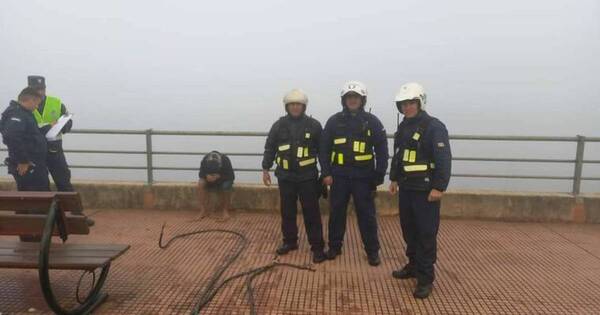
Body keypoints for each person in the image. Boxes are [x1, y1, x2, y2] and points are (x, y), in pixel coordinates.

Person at [389, 82, 452, 299]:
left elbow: (443, 159)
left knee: (426, 234)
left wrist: (439, 187)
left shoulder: (434, 127)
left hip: (426, 191)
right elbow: (398, 155)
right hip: (406, 188)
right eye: (404, 104)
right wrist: (394, 179)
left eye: (411, 103)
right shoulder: (404, 127)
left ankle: (425, 279)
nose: (407, 107)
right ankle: (413, 266)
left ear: (420, 103)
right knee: (409, 230)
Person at [319, 81, 389, 266]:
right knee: (336, 214)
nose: (352, 100)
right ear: (344, 100)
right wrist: (326, 172)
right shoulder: (334, 121)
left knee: (367, 216)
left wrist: (379, 175)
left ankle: (372, 251)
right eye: (349, 97)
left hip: (363, 178)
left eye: (356, 97)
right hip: (339, 177)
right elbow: (324, 149)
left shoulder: (372, 122)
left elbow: (382, 150)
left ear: (362, 99)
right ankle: (334, 247)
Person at [261, 89, 326, 263]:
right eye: (292, 105)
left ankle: (317, 247)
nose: (295, 107)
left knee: (311, 212)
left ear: (304, 106)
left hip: (308, 178)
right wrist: (265, 168)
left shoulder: (314, 125)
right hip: (285, 177)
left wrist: (327, 173)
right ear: (287, 107)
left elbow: (323, 152)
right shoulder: (278, 125)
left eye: (298, 104)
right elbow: (270, 147)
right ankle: (290, 242)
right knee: (287, 212)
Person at [1, 87, 50, 241]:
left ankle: (28, 233)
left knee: (27, 199)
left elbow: (29, 135)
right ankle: (33, 235)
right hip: (29, 167)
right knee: (35, 200)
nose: (37, 107)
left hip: (33, 165)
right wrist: (23, 160)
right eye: (36, 103)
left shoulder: (23, 114)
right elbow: (11, 136)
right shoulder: (17, 114)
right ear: (29, 99)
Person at [198, 150, 235, 221]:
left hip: (223, 179)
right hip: (209, 180)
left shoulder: (225, 160)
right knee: (201, 183)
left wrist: (219, 177)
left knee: (226, 186)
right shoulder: (205, 160)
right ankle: (203, 210)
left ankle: (225, 211)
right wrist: (206, 176)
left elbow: (231, 177)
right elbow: (200, 174)